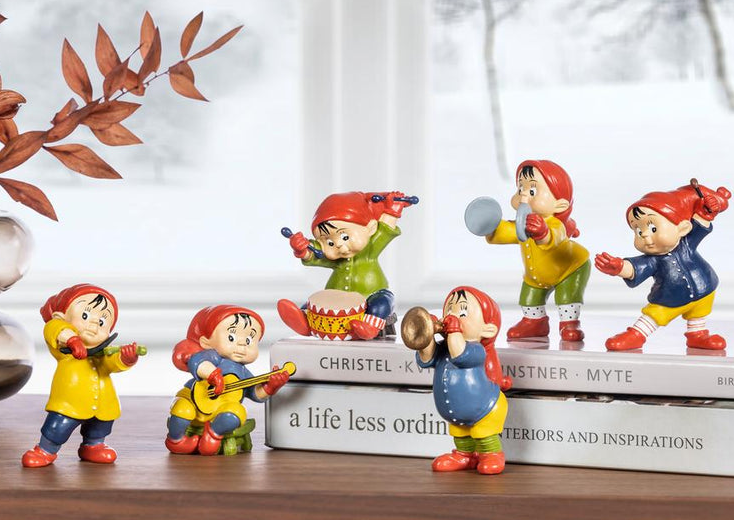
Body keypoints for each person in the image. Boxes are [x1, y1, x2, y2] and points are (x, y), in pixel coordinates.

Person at [595, 181, 731, 351]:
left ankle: (697, 335)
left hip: (705, 287)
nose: (644, 235)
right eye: (638, 231)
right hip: (670, 298)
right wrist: (619, 267)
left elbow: (702, 221)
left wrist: (708, 208)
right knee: (654, 315)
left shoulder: (687, 242)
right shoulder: (652, 260)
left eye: (653, 228)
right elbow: (634, 268)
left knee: (699, 314)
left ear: (682, 228)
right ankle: (637, 334)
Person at [21, 284, 141, 467]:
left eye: (102, 322)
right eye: (85, 316)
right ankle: (46, 449)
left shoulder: (103, 352)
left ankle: (94, 446)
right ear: (62, 317)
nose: (94, 325)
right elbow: (53, 328)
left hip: (103, 402)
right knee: (58, 426)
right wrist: (72, 339)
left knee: (101, 426)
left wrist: (126, 358)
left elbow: (110, 364)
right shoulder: (64, 349)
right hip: (70, 402)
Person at [279, 191, 415, 340]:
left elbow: (384, 230)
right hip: (335, 297)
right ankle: (304, 321)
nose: (338, 245)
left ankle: (369, 327)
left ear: (370, 228)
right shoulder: (335, 258)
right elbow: (315, 253)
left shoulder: (371, 248)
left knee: (382, 302)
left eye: (345, 236)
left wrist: (393, 210)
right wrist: (302, 248)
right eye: (329, 242)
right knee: (312, 305)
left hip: (371, 293)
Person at [483, 160, 590, 342]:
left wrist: (543, 233)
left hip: (570, 268)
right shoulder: (522, 223)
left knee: (567, 298)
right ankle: (535, 322)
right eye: (520, 189)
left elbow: (554, 237)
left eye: (532, 191)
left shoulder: (555, 224)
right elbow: (503, 232)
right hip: (536, 276)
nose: (524, 195)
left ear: (560, 205)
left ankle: (569, 324)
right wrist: (488, 224)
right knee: (529, 298)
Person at [166, 305, 289, 455]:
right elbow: (198, 362)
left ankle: (213, 435)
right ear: (206, 342)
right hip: (192, 399)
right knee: (182, 409)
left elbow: (255, 393)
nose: (242, 344)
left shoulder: (243, 372)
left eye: (249, 340)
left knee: (238, 412)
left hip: (220, 410)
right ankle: (176, 440)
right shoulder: (212, 356)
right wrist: (212, 375)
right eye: (231, 337)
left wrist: (270, 387)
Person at [415, 286, 512, 475]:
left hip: (486, 407)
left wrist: (454, 329)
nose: (452, 316)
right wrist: (425, 336)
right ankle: (464, 455)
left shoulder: (476, 350)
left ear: (488, 330)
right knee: (460, 433)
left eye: (462, 312)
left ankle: (492, 454)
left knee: (484, 434)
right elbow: (426, 359)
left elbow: (459, 354)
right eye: (449, 311)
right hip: (458, 413)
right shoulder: (444, 348)